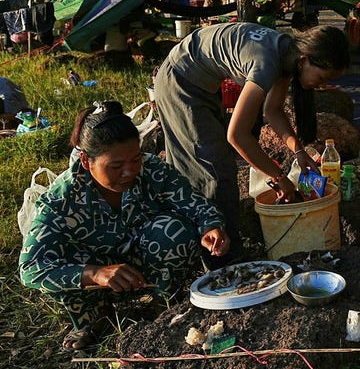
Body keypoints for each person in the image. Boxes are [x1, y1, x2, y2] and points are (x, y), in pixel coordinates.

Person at [19, 101, 230, 350]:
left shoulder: (151, 169)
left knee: (173, 230)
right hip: (95, 280)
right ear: (86, 162)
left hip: (143, 266)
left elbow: (192, 203)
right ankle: (95, 318)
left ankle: (165, 304)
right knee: (60, 268)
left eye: (135, 159)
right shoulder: (60, 200)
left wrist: (210, 227)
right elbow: (31, 268)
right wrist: (95, 274)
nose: (129, 171)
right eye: (115, 166)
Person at [154, 22, 350, 262]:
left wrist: (299, 152)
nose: (320, 86)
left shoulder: (286, 54)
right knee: (214, 172)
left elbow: (273, 110)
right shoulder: (267, 63)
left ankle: (201, 248)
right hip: (180, 82)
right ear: (304, 60)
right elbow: (236, 135)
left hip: (198, 82)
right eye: (321, 78)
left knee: (203, 166)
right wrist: (279, 177)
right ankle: (223, 259)